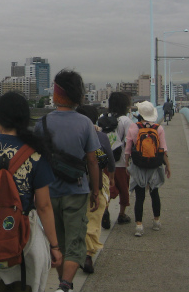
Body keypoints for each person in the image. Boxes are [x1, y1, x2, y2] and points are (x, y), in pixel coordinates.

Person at [0, 91, 63, 292]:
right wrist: (54, 246)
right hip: (25, 236)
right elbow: (43, 205)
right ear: (24, 119)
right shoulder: (35, 153)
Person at [34, 69, 100, 292]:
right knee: (75, 242)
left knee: (57, 243)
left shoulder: (42, 123)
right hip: (77, 190)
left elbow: (34, 160)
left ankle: (63, 284)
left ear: (56, 94)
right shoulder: (85, 123)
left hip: (48, 193)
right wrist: (96, 190)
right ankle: (65, 285)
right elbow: (93, 161)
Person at [76, 105, 115, 274]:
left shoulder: (69, 135)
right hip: (94, 182)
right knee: (92, 218)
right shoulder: (99, 136)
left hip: (72, 183)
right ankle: (87, 255)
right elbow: (107, 160)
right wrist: (111, 177)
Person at [125, 101, 171, 237]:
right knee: (154, 193)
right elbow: (163, 149)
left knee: (140, 196)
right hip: (154, 165)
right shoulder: (158, 128)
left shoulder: (134, 127)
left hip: (139, 164)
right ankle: (156, 221)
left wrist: (127, 164)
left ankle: (139, 226)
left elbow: (128, 149)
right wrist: (168, 166)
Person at [103, 91, 133, 227]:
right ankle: (121, 214)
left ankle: (105, 209)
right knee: (124, 188)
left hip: (105, 160)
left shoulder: (103, 117)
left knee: (106, 187)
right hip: (120, 161)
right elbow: (129, 141)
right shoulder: (126, 120)